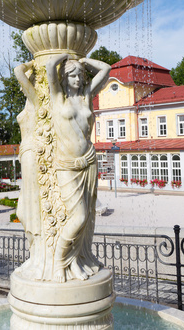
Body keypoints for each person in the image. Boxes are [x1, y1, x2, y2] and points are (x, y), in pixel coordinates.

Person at [46, 54, 111, 282]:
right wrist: (65, 57)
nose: (77, 79)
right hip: (67, 165)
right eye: (72, 75)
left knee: (88, 216)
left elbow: (106, 68)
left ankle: (76, 262)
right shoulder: (58, 98)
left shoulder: (85, 97)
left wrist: (84, 61)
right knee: (79, 216)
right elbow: (50, 66)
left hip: (88, 162)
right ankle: (58, 261)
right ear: (64, 78)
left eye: (79, 75)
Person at [14, 60, 43, 279]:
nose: (22, 86)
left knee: (28, 210)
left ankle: (40, 256)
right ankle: (35, 254)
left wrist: (31, 64)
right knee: (24, 210)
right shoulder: (28, 102)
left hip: (33, 154)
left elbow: (17, 72)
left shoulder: (36, 99)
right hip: (26, 155)